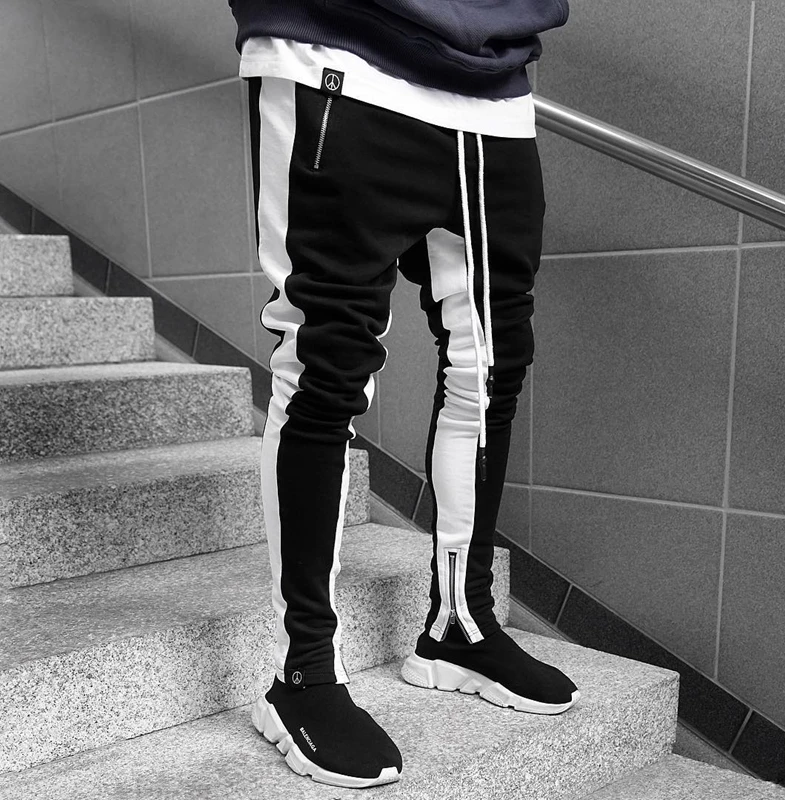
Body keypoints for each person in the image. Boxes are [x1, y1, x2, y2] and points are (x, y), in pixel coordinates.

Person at [227, 0, 579, 789]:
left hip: (496, 91)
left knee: (494, 368)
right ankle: (303, 673)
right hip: (337, 56)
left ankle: (460, 622)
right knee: (326, 366)